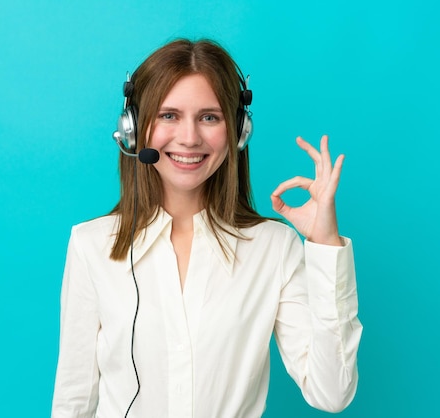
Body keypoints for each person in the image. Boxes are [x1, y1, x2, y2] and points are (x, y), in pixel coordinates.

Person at [51, 38, 362, 418]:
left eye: (209, 117)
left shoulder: (274, 248)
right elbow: (72, 402)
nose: (189, 137)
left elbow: (332, 393)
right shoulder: (91, 245)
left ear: (238, 131)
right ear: (133, 130)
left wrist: (325, 243)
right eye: (169, 115)